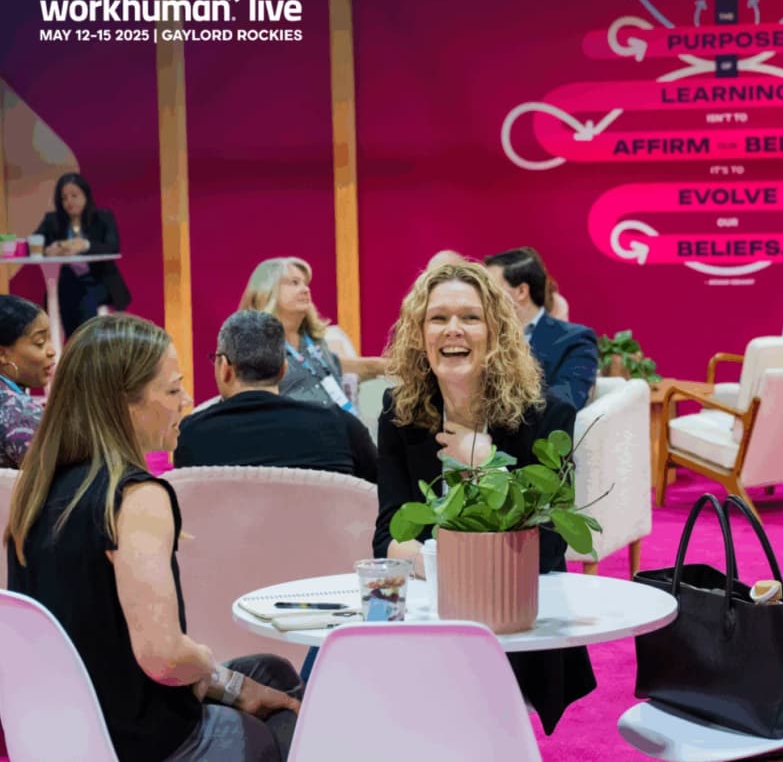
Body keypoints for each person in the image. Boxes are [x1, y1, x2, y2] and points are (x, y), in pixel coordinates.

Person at [5, 314, 302, 762]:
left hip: (65, 734)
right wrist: (203, 658)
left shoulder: (37, 489)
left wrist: (231, 684)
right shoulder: (135, 496)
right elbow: (163, 658)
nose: (185, 400)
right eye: (172, 388)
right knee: (286, 720)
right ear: (126, 403)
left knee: (269, 674)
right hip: (142, 742)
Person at [371, 262, 595, 734]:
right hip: (430, 613)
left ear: (495, 333)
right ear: (420, 333)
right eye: (438, 318)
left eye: (470, 317)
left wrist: (485, 463)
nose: (453, 329)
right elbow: (389, 534)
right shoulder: (399, 412)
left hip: (516, 616)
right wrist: (460, 564)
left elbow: (549, 545)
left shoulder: (547, 414)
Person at [174, 310, 377, 480]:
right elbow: (379, 495)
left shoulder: (190, 435)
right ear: (284, 369)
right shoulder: (341, 427)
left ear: (225, 368)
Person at [239, 256, 386, 409]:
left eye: (305, 283)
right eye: (294, 283)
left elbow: (334, 365)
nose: (305, 289)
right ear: (266, 291)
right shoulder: (255, 348)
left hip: (340, 425)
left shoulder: (313, 339)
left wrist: (383, 366)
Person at [484, 247, 597, 410]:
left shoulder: (575, 340)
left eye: (491, 290)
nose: (482, 297)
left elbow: (564, 404)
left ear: (521, 291)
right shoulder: (478, 335)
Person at [33, 172, 131, 337]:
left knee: (83, 297)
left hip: (99, 280)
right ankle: (75, 344)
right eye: (64, 198)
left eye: (74, 195)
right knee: (68, 293)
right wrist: (49, 250)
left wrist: (85, 245)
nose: (69, 202)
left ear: (85, 195)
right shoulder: (52, 220)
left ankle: (83, 343)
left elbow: (112, 247)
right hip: (66, 281)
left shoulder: (103, 217)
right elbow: (35, 242)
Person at [0, 295, 56, 467]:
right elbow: (58, 480)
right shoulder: (17, 411)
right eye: (40, 343)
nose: (52, 351)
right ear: (2, 354)